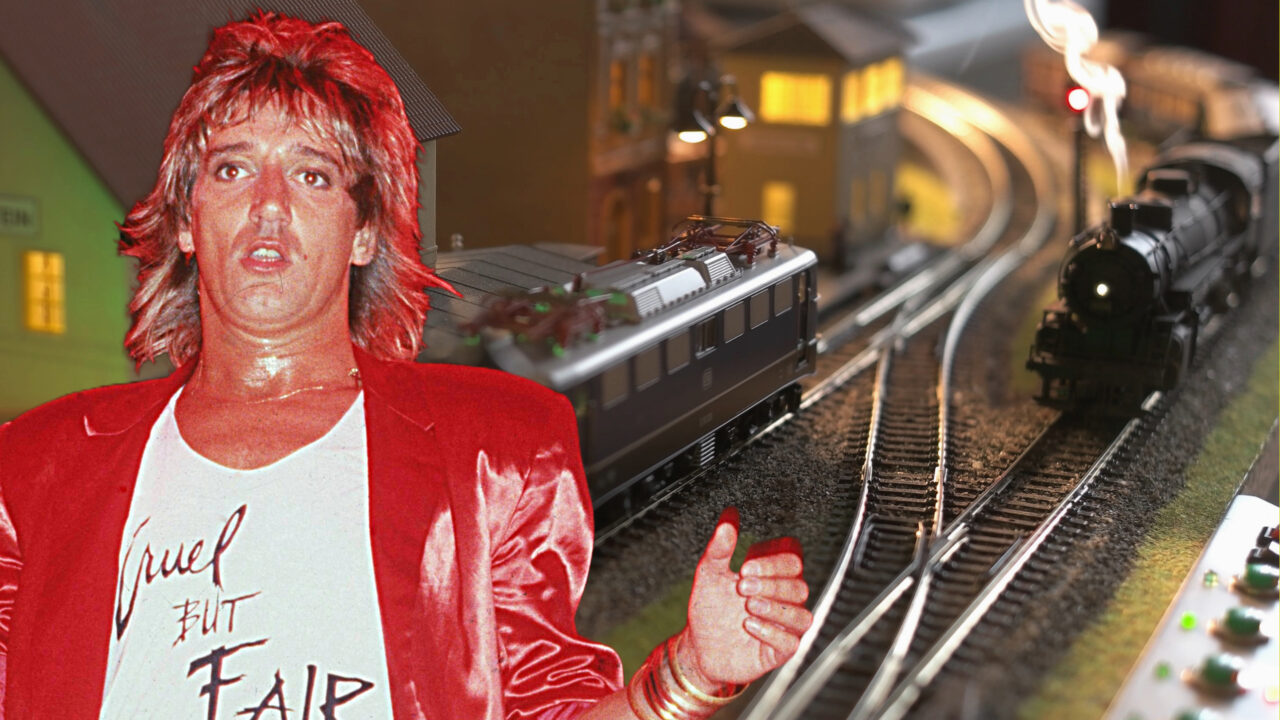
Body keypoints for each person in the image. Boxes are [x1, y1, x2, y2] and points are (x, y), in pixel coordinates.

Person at [0, 12, 812, 719]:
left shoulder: (496, 455)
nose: (269, 203)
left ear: (362, 234)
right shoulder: (33, 473)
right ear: (186, 219)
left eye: (313, 174)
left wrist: (690, 676)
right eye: (232, 167)